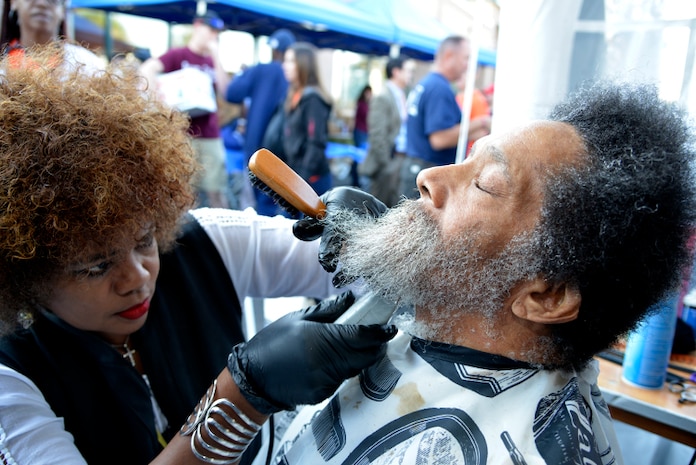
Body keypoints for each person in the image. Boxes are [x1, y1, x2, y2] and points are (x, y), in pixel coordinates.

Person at [0, 44, 395, 465]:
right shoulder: (12, 378)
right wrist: (242, 398)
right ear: (26, 269)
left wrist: (371, 241)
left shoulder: (202, 243)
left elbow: (362, 273)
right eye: (95, 266)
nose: (137, 277)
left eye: (145, 240)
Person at [277, 80, 696, 463]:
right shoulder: (426, 308)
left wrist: (238, 397)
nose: (428, 176)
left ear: (546, 296)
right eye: (468, 159)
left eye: (485, 183)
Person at [139, 11, 230, 209]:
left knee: (216, 188)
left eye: (217, 33)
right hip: (183, 134)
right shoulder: (178, 55)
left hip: (209, 134)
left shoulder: (212, 61)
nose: (214, 36)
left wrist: (216, 55)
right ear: (198, 27)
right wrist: (160, 102)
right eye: (211, 30)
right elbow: (147, 69)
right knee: (185, 191)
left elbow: (226, 91)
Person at [225, 28, 296, 216]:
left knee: (252, 208)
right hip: (284, 156)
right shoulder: (297, 81)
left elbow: (231, 93)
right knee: (279, 206)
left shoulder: (260, 70)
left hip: (255, 152)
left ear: (274, 50)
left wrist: (243, 74)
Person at [400, 35, 470, 199]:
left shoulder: (427, 83)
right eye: (465, 58)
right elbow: (439, 139)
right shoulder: (439, 88)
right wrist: (477, 124)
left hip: (417, 168)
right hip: (428, 174)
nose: (466, 65)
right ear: (449, 56)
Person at [281, 41, 333, 215]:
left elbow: (316, 142)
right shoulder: (296, 94)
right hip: (298, 178)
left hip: (311, 180)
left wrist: (301, 180)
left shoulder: (312, 99)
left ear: (303, 64)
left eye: (290, 61)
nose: (285, 66)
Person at [359, 56, 414, 207]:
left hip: (400, 159)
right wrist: (387, 164)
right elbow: (377, 135)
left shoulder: (402, 94)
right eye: (408, 71)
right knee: (381, 211)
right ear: (396, 72)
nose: (410, 75)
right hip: (388, 162)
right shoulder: (383, 96)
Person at [1, 0, 103, 69]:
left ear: (63, 9)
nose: (42, 3)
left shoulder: (87, 64)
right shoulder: (3, 65)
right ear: (13, 2)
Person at [455, 73, 492, 155]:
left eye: (464, 72)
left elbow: (483, 131)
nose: (459, 76)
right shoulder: (465, 96)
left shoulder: (475, 98)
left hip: (469, 151)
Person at [353, 84, 371, 148]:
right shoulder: (361, 104)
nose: (369, 95)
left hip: (365, 131)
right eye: (367, 93)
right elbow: (366, 116)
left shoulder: (368, 104)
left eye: (370, 93)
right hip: (360, 131)